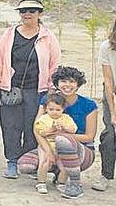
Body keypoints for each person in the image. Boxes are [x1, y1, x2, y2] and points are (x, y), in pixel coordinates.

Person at [0, 0, 61, 179]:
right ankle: (12, 161)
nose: (27, 14)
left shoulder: (47, 37)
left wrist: (52, 88)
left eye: (32, 10)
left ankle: (29, 161)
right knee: (10, 126)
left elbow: (55, 64)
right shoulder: (9, 35)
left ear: (40, 14)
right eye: (23, 11)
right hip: (11, 87)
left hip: (37, 90)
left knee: (34, 126)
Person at [17, 67, 98, 199]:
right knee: (25, 165)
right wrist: (47, 150)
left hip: (82, 151)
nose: (67, 85)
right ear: (57, 83)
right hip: (50, 145)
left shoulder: (88, 105)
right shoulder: (48, 101)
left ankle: (75, 184)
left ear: (78, 84)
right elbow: (37, 129)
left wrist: (63, 135)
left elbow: (89, 136)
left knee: (63, 140)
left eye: (72, 81)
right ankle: (57, 173)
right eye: (63, 81)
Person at [29, 93, 76, 195]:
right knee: (44, 162)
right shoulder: (43, 119)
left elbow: (73, 129)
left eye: (58, 110)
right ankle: (41, 182)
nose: (54, 112)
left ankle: (61, 182)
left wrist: (65, 128)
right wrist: (52, 129)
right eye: (51, 109)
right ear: (46, 109)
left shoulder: (66, 118)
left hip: (61, 147)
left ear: (63, 109)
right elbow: (41, 132)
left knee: (64, 166)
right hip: (46, 145)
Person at [94, 17, 116, 192]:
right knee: (110, 133)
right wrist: (114, 113)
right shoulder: (107, 47)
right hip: (113, 93)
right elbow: (109, 82)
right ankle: (106, 175)